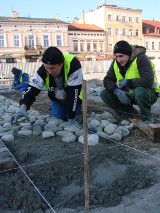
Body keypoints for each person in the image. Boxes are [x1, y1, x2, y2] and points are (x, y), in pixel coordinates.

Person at [11, 46, 83, 126]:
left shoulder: (73, 64)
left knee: (71, 118)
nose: (49, 71)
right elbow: (32, 90)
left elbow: (74, 93)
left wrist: (71, 117)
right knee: (57, 119)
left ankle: (76, 113)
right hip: (57, 98)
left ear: (61, 64)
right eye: (47, 68)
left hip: (74, 96)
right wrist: (23, 107)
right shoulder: (43, 71)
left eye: (52, 68)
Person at [100, 40, 160, 124]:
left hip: (149, 93)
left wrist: (129, 82)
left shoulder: (141, 58)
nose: (119, 60)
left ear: (128, 54)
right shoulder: (115, 63)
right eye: (116, 56)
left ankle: (146, 118)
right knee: (105, 94)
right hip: (129, 93)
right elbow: (107, 80)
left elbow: (148, 81)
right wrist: (117, 91)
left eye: (121, 56)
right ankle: (129, 113)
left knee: (140, 92)